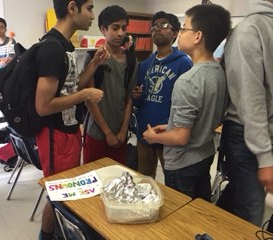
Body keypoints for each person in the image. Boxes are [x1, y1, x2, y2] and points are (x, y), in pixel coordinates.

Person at [34, 0, 110, 239]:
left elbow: (68, 90)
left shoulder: (65, 45)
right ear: (72, 8)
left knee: (65, 193)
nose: (92, 15)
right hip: (55, 134)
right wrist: (86, 94)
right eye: (89, 8)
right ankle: (46, 236)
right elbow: (43, 106)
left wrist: (95, 64)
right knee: (59, 195)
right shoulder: (52, 48)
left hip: (68, 131)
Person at [143, 4, 231, 202]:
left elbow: (181, 137)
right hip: (203, 156)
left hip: (182, 164)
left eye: (183, 28)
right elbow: (205, 118)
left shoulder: (188, 80)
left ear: (198, 36)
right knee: (198, 211)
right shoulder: (218, 72)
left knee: (180, 218)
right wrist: (170, 125)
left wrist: (153, 137)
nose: (180, 34)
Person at [216, 0, 273, 226]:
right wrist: (265, 158)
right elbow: (251, 100)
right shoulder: (249, 31)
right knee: (250, 213)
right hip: (248, 133)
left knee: (237, 199)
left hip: (261, 133)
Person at [132, 11, 192, 179]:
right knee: (144, 179)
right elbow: (138, 102)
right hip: (145, 131)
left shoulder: (184, 63)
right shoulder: (144, 65)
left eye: (164, 25)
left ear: (175, 33)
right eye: (154, 26)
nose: (157, 29)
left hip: (168, 133)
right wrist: (136, 96)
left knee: (173, 180)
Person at [82, 5, 138, 165]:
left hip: (120, 135)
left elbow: (129, 99)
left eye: (124, 28)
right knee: (94, 179)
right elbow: (89, 100)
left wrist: (122, 131)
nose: (120, 33)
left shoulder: (132, 61)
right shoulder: (93, 57)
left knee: (117, 179)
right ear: (103, 29)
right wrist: (107, 133)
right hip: (96, 133)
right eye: (115, 28)